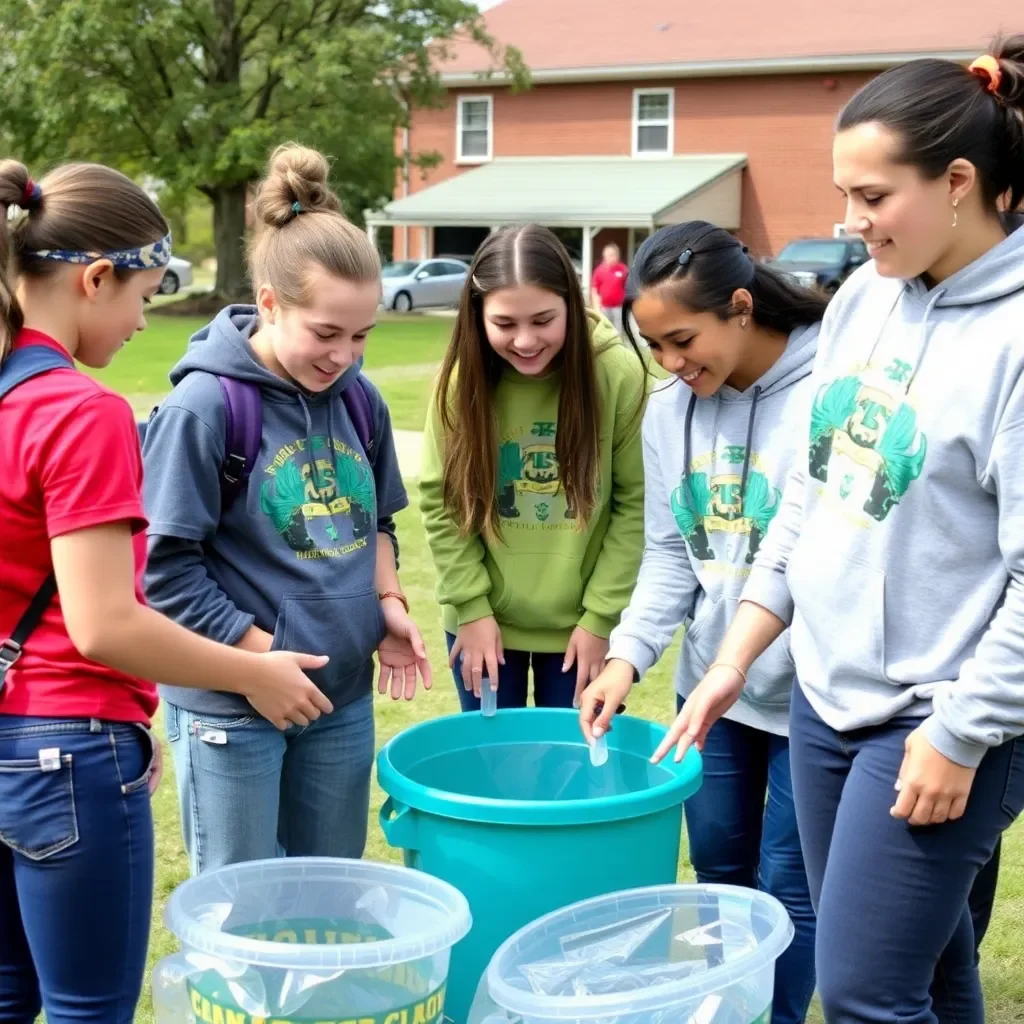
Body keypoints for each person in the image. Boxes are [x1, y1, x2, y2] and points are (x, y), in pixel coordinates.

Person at [650, 39, 1024, 1023]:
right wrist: (737, 655)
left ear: (956, 183)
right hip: (826, 697)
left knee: (861, 990)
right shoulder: (860, 300)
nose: (846, 221)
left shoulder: (1014, 339)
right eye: (841, 194)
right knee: (928, 970)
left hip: (939, 712)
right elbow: (815, 500)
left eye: (870, 196)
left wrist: (960, 734)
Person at [0, 160, 329, 1023]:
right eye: (144, 294)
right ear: (94, 277)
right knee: (88, 1007)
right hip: (66, 752)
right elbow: (104, 624)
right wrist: (249, 670)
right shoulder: (79, 410)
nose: (147, 320)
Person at [141, 144, 430, 875]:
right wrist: (263, 663)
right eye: (326, 333)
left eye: (362, 335)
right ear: (269, 304)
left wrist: (387, 602)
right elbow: (164, 572)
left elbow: (381, 524)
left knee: (328, 898)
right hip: (231, 703)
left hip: (339, 699)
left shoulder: (361, 401)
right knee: (242, 906)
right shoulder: (204, 408)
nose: (345, 355)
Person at [580, 221, 826, 1024]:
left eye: (684, 340)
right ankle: (727, 1009)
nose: (674, 365)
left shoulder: (829, 384)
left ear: (743, 306)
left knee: (792, 887)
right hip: (708, 697)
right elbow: (670, 554)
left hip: (808, 699)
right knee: (719, 868)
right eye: (655, 346)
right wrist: (626, 659)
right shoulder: (668, 412)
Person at [420, 224, 646, 711]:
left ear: (572, 302)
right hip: (483, 625)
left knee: (569, 778)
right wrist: (472, 609)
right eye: (504, 324)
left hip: (580, 631)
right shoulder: (460, 382)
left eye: (543, 320)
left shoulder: (619, 374)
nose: (525, 341)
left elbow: (636, 507)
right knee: (492, 774)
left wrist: (600, 619)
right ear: (477, 315)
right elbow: (443, 502)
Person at [591, 242, 629, 334]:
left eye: (612, 255)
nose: (610, 257)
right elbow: (594, 289)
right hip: (604, 307)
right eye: (608, 255)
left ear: (617, 255)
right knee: (605, 331)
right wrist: (596, 305)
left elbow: (629, 287)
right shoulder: (599, 271)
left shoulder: (623, 269)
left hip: (619, 308)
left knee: (618, 332)